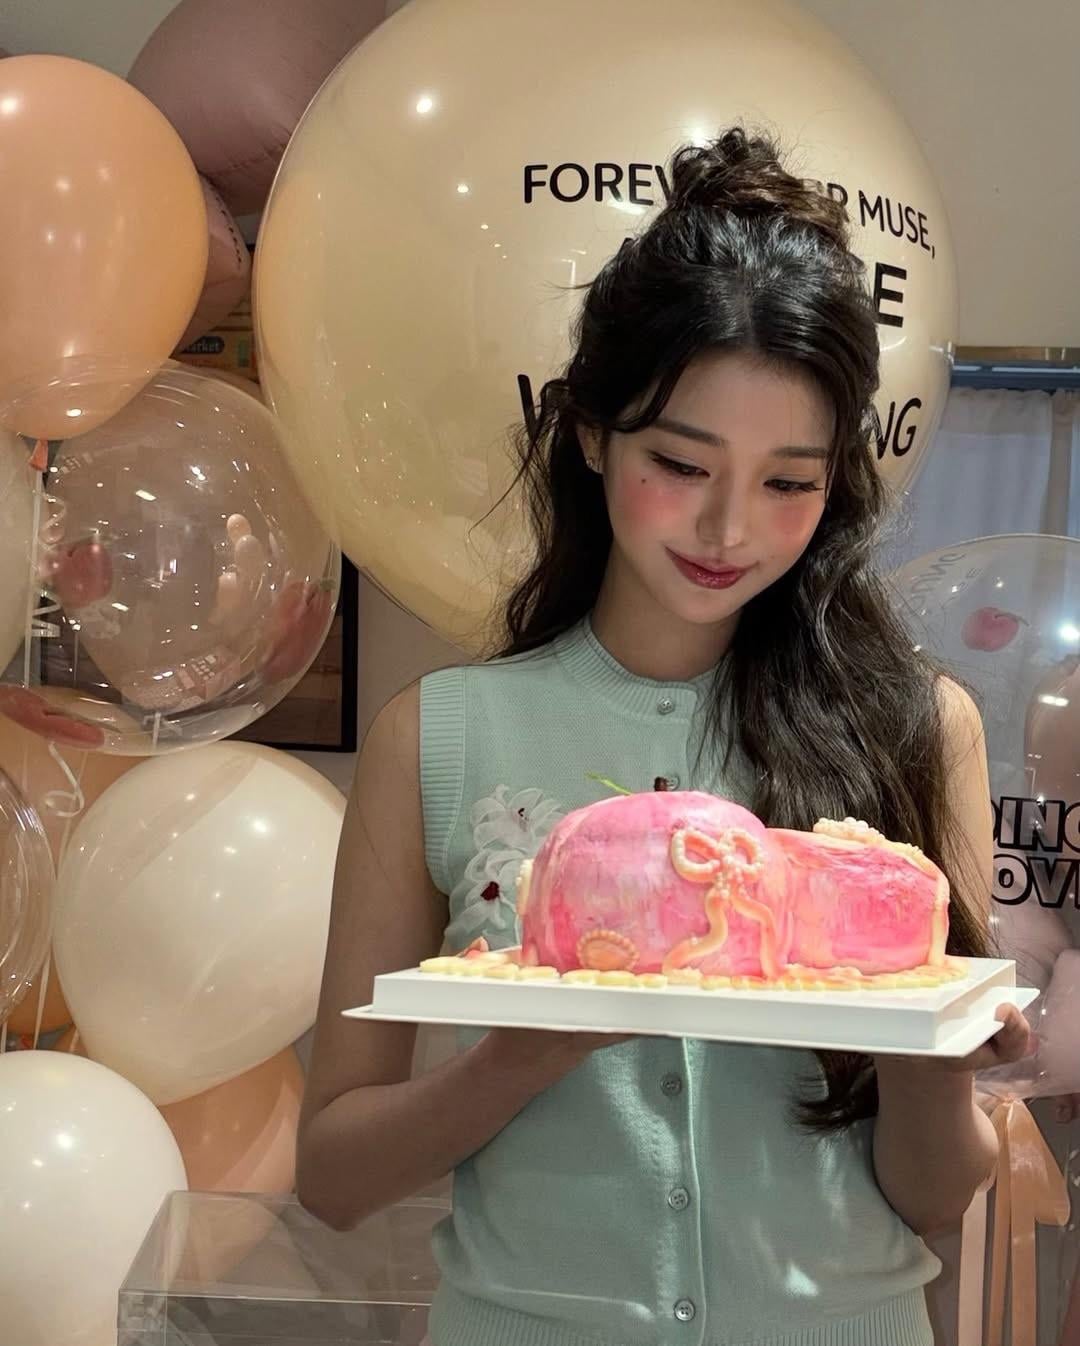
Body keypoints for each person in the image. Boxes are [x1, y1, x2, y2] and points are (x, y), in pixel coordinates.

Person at [298, 127, 1030, 1346]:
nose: (730, 526)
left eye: (788, 482)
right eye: (682, 463)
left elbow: (935, 1196)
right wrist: (518, 1058)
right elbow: (331, 1172)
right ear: (592, 433)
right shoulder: (441, 736)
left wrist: (932, 1048)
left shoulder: (916, 727)